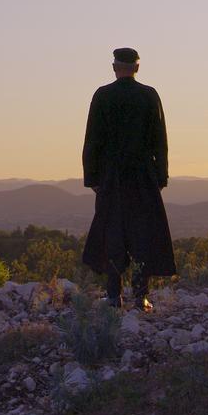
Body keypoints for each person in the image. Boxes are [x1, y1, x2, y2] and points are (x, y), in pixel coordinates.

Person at [81, 46, 175, 310]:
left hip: (111, 176)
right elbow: (160, 139)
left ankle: (113, 295)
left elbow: (92, 139)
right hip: (143, 174)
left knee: (113, 231)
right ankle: (140, 295)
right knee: (142, 232)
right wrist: (161, 176)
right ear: (137, 67)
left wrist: (92, 177)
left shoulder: (103, 95)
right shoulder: (149, 95)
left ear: (114, 67)